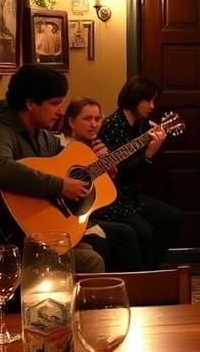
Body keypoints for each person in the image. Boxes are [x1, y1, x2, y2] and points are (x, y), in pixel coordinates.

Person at [0, 64, 104, 273]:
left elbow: (66, 166)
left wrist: (98, 166)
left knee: (115, 238)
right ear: (30, 103)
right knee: (91, 259)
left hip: (49, 225)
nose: (60, 112)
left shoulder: (44, 136)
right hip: (14, 235)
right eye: (54, 104)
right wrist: (59, 185)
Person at [96, 76, 182, 268]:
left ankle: (150, 268)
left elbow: (139, 167)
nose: (152, 106)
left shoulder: (140, 125)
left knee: (172, 217)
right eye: (149, 100)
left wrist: (154, 145)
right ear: (135, 98)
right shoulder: (112, 125)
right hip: (113, 198)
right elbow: (118, 172)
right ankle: (142, 275)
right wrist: (149, 154)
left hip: (132, 195)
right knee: (144, 231)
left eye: (154, 100)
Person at [60, 97, 148, 272]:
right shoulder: (58, 146)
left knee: (129, 232)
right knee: (123, 234)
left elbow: (104, 188)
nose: (94, 124)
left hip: (88, 209)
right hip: (65, 213)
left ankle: (138, 285)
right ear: (71, 121)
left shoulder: (97, 146)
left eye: (97, 119)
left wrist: (106, 169)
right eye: (87, 119)